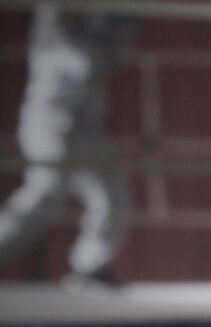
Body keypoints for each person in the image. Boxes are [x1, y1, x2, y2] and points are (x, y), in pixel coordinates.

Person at [0, 3, 134, 285]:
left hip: (84, 124)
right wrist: (101, 31)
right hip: (48, 120)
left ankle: (89, 267)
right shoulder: (54, 10)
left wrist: (109, 33)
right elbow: (77, 60)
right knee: (45, 193)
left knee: (111, 192)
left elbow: (109, 60)